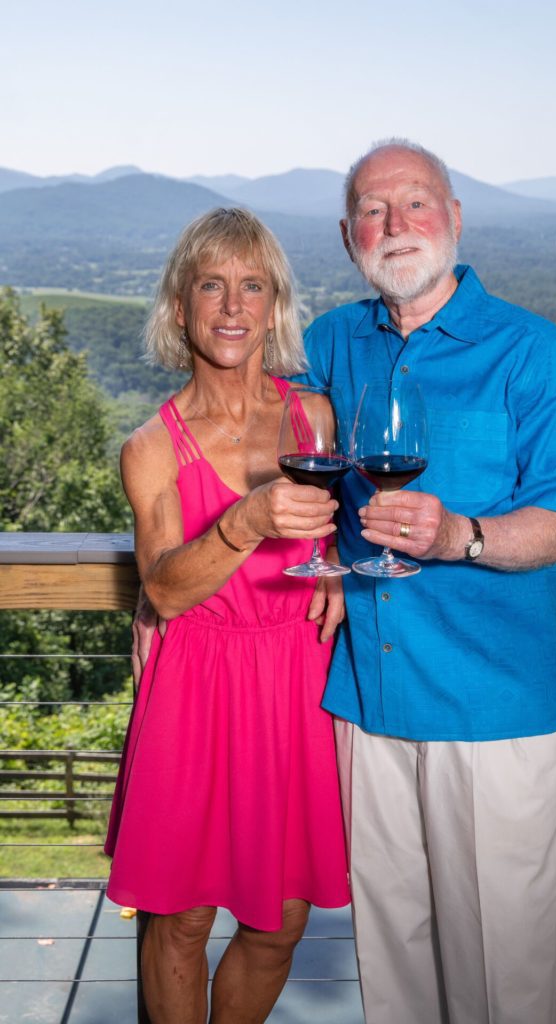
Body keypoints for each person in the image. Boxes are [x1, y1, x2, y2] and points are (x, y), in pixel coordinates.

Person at [300, 140, 556, 1024]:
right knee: (391, 967)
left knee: (504, 976)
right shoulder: (329, 340)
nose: (394, 226)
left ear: (455, 218)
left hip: (496, 716)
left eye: (416, 203)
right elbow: (261, 436)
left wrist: (461, 535)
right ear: (347, 232)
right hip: (368, 704)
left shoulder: (529, 349)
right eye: (371, 209)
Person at [105, 207, 350, 1024]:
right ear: (180, 307)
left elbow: (345, 530)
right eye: (212, 285)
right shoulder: (150, 445)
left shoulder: (311, 418)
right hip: (196, 687)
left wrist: (342, 570)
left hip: (292, 685)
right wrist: (245, 520)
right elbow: (167, 589)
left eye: (253, 286)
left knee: (279, 924)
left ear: (275, 306)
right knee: (180, 920)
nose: (233, 307)